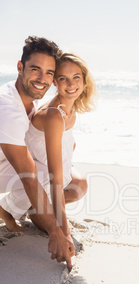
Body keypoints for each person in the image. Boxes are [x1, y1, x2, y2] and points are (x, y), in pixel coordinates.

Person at [0, 36, 74, 270]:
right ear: (20, 67)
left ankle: (21, 209)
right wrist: (56, 232)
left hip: (6, 165)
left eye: (49, 72)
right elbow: (29, 176)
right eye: (35, 69)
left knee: (73, 180)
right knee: (44, 175)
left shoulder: (31, 102)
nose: (42, 79)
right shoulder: (8, 110)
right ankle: (8, 210)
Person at [25, 51, 96, 241]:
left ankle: (42, 207)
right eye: (63, 78)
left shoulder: (70, 109)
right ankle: (33, 208)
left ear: (84, 80)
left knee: (80, 184)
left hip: (47, 170)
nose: (71, 84)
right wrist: (65, 231)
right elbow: (54, 178)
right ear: (55, 82)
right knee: (53, 226)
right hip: (36, 179)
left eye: (76, 77)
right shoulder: (54, 114)